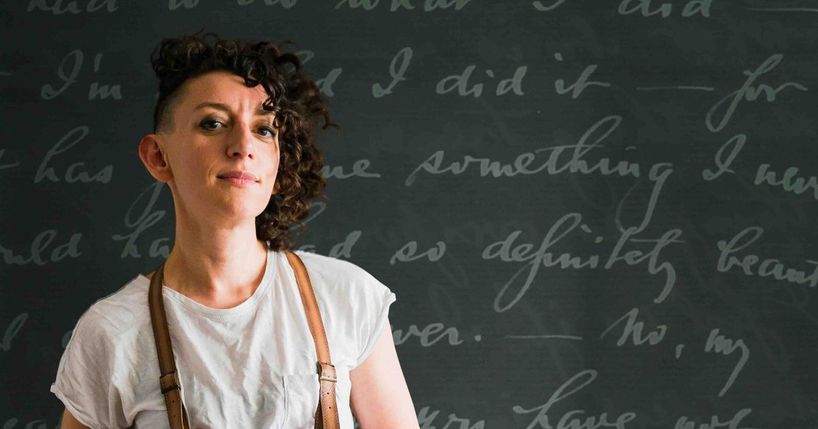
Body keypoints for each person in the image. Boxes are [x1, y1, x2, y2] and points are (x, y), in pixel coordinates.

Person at [50, 31, 420, 428]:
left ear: (277, 164)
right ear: (158, 157)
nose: (243, 145)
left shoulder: (346, 296)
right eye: (213, 123)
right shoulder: (111, 333)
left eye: (264, 129)